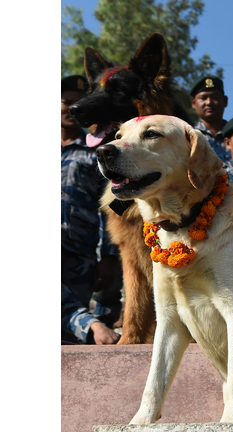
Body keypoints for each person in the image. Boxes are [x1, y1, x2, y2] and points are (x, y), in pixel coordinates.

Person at [61, 75, 121, 344]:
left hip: (79, 254)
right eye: (66, 102)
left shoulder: (96, 151)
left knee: (69, 331)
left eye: (78, 104)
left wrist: (108, 256)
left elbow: (113, 205)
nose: (72, 109)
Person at [191, 75, 229, 163]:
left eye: (215, 97)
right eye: (203, 98)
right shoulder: (187, 135)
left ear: (225, 101)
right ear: (193, 103)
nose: (209, 102)